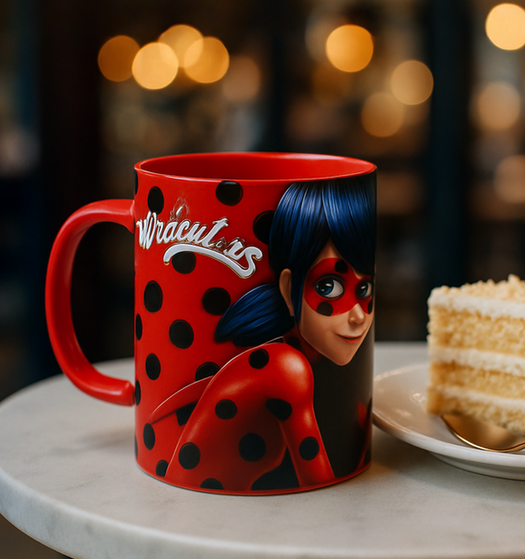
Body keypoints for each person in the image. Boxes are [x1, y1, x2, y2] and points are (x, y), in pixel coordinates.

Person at [149, 173, 376, 493]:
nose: (357, 316)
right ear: (288, 290)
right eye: (330, 287)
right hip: (197, 520)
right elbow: (326, 487)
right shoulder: (284, 367)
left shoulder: (320, 372)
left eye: (365, 288)